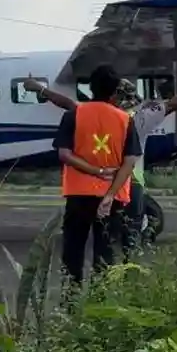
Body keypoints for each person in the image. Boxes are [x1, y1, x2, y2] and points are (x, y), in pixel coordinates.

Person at [25, 73, 177, 260]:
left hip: (97, 185)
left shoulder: (90, 113)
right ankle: (125, 276)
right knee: (127, 240)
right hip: (130, 185)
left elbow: (67, 103)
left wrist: (39, 88)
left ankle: (87, 282)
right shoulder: (140, 117)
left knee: (94, 242)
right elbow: (174, 103)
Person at [50, 65, 142, 287]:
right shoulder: (125, 119)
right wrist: (110, 194)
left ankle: (70, 301)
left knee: (73, 250)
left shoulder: (73, 115)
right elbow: (130, 161)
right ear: (114, 92)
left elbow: (64, 153)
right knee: (105, 251)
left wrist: (95, 171)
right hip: (112, 197)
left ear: (90, 88)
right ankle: (101, 302)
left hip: (78, 194)